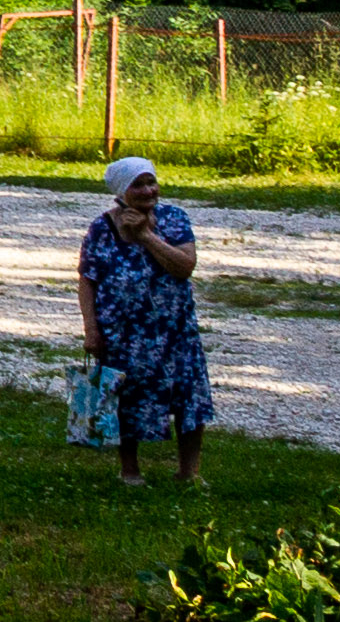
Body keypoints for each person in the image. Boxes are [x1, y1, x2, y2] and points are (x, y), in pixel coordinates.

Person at [79, 155, 211, 487]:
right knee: (127, 398)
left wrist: (147, 237)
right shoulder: (102, 228)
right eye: (138, 184)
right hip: (124, 333)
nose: (149, 190)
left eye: (151, 181)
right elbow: (87, 280)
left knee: (188, 396)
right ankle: (129, 470)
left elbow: (184, 267)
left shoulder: (175, 219)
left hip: (175, 331)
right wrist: (91, 330)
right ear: (121, 190)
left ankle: (189, 472)